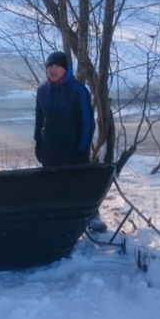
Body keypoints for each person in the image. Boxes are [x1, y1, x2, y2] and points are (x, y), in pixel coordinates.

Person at [33, 51, 106, 231]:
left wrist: (82, 149)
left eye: (57, 66)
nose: (53, 69)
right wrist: (38, 142)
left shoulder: (78, 91)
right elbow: (39, 118)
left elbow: (88, 124)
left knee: (79, 186)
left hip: (73, 149)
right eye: (49, 66)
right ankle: (56, 219)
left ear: (65, 69)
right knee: (51, 186)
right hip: (50, 148)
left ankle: (91, 216)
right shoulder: (43, 90)